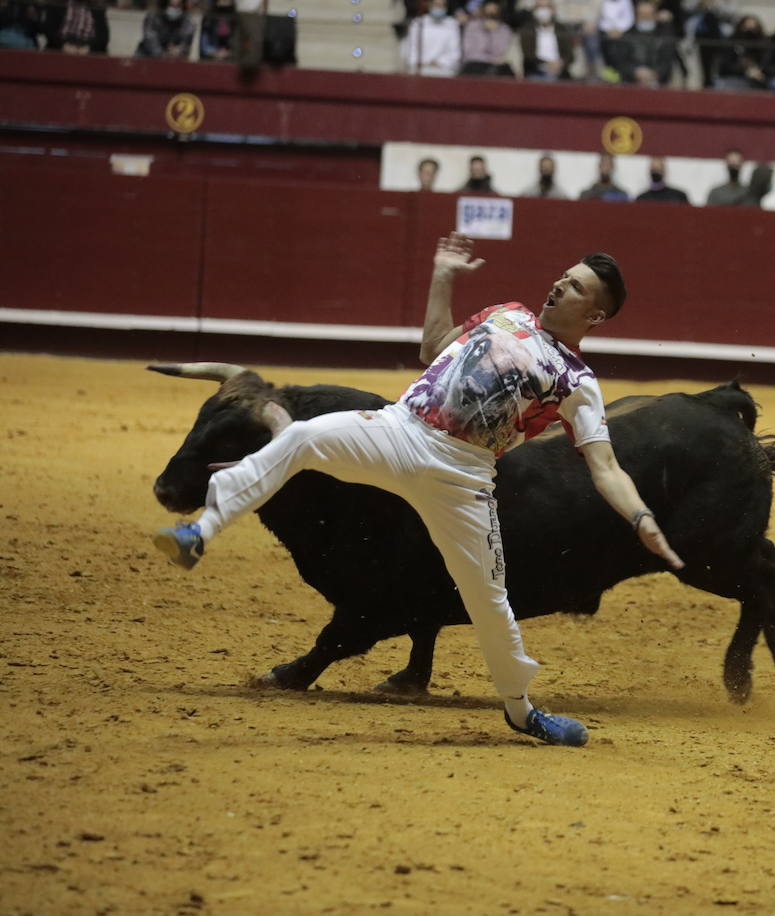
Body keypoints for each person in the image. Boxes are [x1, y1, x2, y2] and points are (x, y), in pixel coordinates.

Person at [153, 234, 684, 748]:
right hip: (399, 429)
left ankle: (522, 712)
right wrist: (441, 277)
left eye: (576, 287)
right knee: (302, 436)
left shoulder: (576, 380)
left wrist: (640, 518)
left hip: (463, 474)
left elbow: (605, 465)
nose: (559, 286)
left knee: (489, 601)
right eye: (564, 277)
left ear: (595, 315)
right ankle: (200, 530)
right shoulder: (507, 314)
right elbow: (432, 348)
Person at [614, 0, 674, 86]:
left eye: (648, 16)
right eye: (642, 15)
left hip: (659, 83)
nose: (645, 19)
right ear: (636, 16)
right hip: (631, 84)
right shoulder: (627, 36)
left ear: (655, 15)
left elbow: (667, 60)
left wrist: (655, 74)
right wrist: (635, 72)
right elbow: (621, 62)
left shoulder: (664, 35)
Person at [401, 0, 462, 75]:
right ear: (430, 5)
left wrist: (440, 62)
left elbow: (454, 52)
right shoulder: (418, 23)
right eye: (436, 4)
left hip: (443, 70)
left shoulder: (452, 24)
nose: (439, 8)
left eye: (441, 5)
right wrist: (419, 62)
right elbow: (410, 48)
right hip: (419, 69)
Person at [518, 0, 574, 79]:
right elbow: (528, 55)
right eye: (540, 7)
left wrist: (560, 64)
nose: (543, 11)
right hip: (536, 72)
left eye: (546, 7)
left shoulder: (561, 29)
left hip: (559, 73)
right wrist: (547, 64)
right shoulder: (527, 30)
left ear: (553, 10)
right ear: (534, 11)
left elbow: (570, 55)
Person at [715, 14, 769, 89]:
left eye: (753, 28)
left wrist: (758, 71)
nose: (750, 31)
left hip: (758, 78)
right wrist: (745, 72)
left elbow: (767, 62)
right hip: (734, 78)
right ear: (740, 27)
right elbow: (725, 65)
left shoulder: (763, 44)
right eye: (746, 27)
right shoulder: (731, 42)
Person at [461, 0, 515, 75]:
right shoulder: (472, 26)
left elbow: (501, 53)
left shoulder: (505, 30)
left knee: (506, 71)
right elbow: (469, 53)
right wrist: (484, 31)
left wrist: (494, 32)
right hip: (474, 64)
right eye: (488, 14)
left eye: (493, 14)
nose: (490, 16)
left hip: (496, 67)